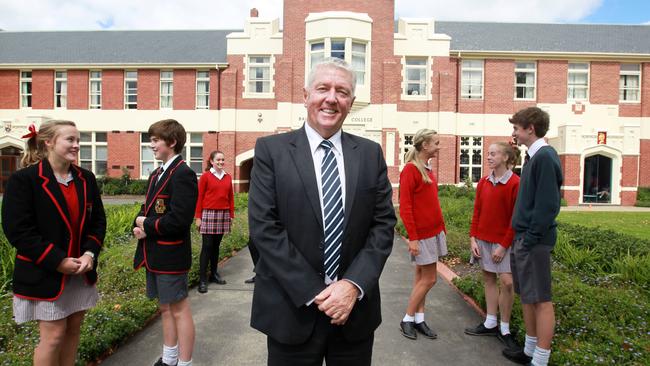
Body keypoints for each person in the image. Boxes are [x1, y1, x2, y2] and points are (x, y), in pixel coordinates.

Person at [248, 58, 396, 366]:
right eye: (323, 88)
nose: (331, 98)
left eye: (341, 91)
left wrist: (352, 286)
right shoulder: (271, 151)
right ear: (306, 96)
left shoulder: (370, 154)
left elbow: (382, 226)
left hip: (354, 314)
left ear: (351, 102)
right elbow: (264, 227)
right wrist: (318, 293)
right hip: (290, 311)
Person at [2, 120, 106, 366]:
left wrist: (90, 254)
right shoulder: (24, 180)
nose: (77, 145)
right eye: (70, 140)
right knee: (53, 336)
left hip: (80, 272)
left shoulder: (86, 178)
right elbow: (18, 230)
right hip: (44, 273)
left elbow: (98, 221)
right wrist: (57, 261)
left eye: (78, 140)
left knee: (73, 332)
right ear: (48, 142)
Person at [133, 119, 198, 366]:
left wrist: (146, 226)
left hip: (171, 257)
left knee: (179, 309)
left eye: (156, 140)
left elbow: (180, 220)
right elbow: (146, 208)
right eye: (151, 140)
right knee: (165, 308)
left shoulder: (183, 173)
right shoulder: (156, 174)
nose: (151, 145)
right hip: (154, 254)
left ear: (171, 142)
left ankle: (185, 362)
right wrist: (136, 226)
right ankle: (169, 358)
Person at [503, 107, 562, 366]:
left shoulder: (545, 157)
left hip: (533, 241)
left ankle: (540, 359)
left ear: (531, 128)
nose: (514, 133)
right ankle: (528, 351)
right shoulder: (533, 157)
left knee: (541, 299)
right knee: (528, 295)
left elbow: (548, 205)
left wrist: (530, 239)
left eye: (517, 128)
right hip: (524, 238)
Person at [464, 142, 520, 351]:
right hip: (483, 239)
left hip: (503, 243)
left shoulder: (515, 183)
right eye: (488, 154)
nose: (488, 157)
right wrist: (472, 238)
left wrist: (504, 246)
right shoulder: (484, 182)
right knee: (488, 278)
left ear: (506, 158)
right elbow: (477, 212)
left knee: (506, 282)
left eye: (493, 154)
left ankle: (504, 328)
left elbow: (515, 219)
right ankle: (490, 321)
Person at [398, 129, 446, 340]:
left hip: (434, 232)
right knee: (430, 279)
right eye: (436, 143)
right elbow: (405, 207)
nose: (438, 146)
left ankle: (419, 318)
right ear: (425, 145)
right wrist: (413, 238)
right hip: (423, 235)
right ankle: (407, 318)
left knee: (421, 277)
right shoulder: (410, 170)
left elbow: (431, 203)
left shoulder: (427, 169)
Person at [194, 150, 235, 292]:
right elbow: (199, 197)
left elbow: (230, 197)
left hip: (223, 214)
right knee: (207, 247)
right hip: (208, 214)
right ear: (211, 161)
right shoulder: (205, 177)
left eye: (223, 160)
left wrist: (231, 215)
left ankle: (214, 274)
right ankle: (202, 280)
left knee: (216, 247)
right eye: (218, 160)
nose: (221, 162)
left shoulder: (228, 177)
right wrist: (198, 217)